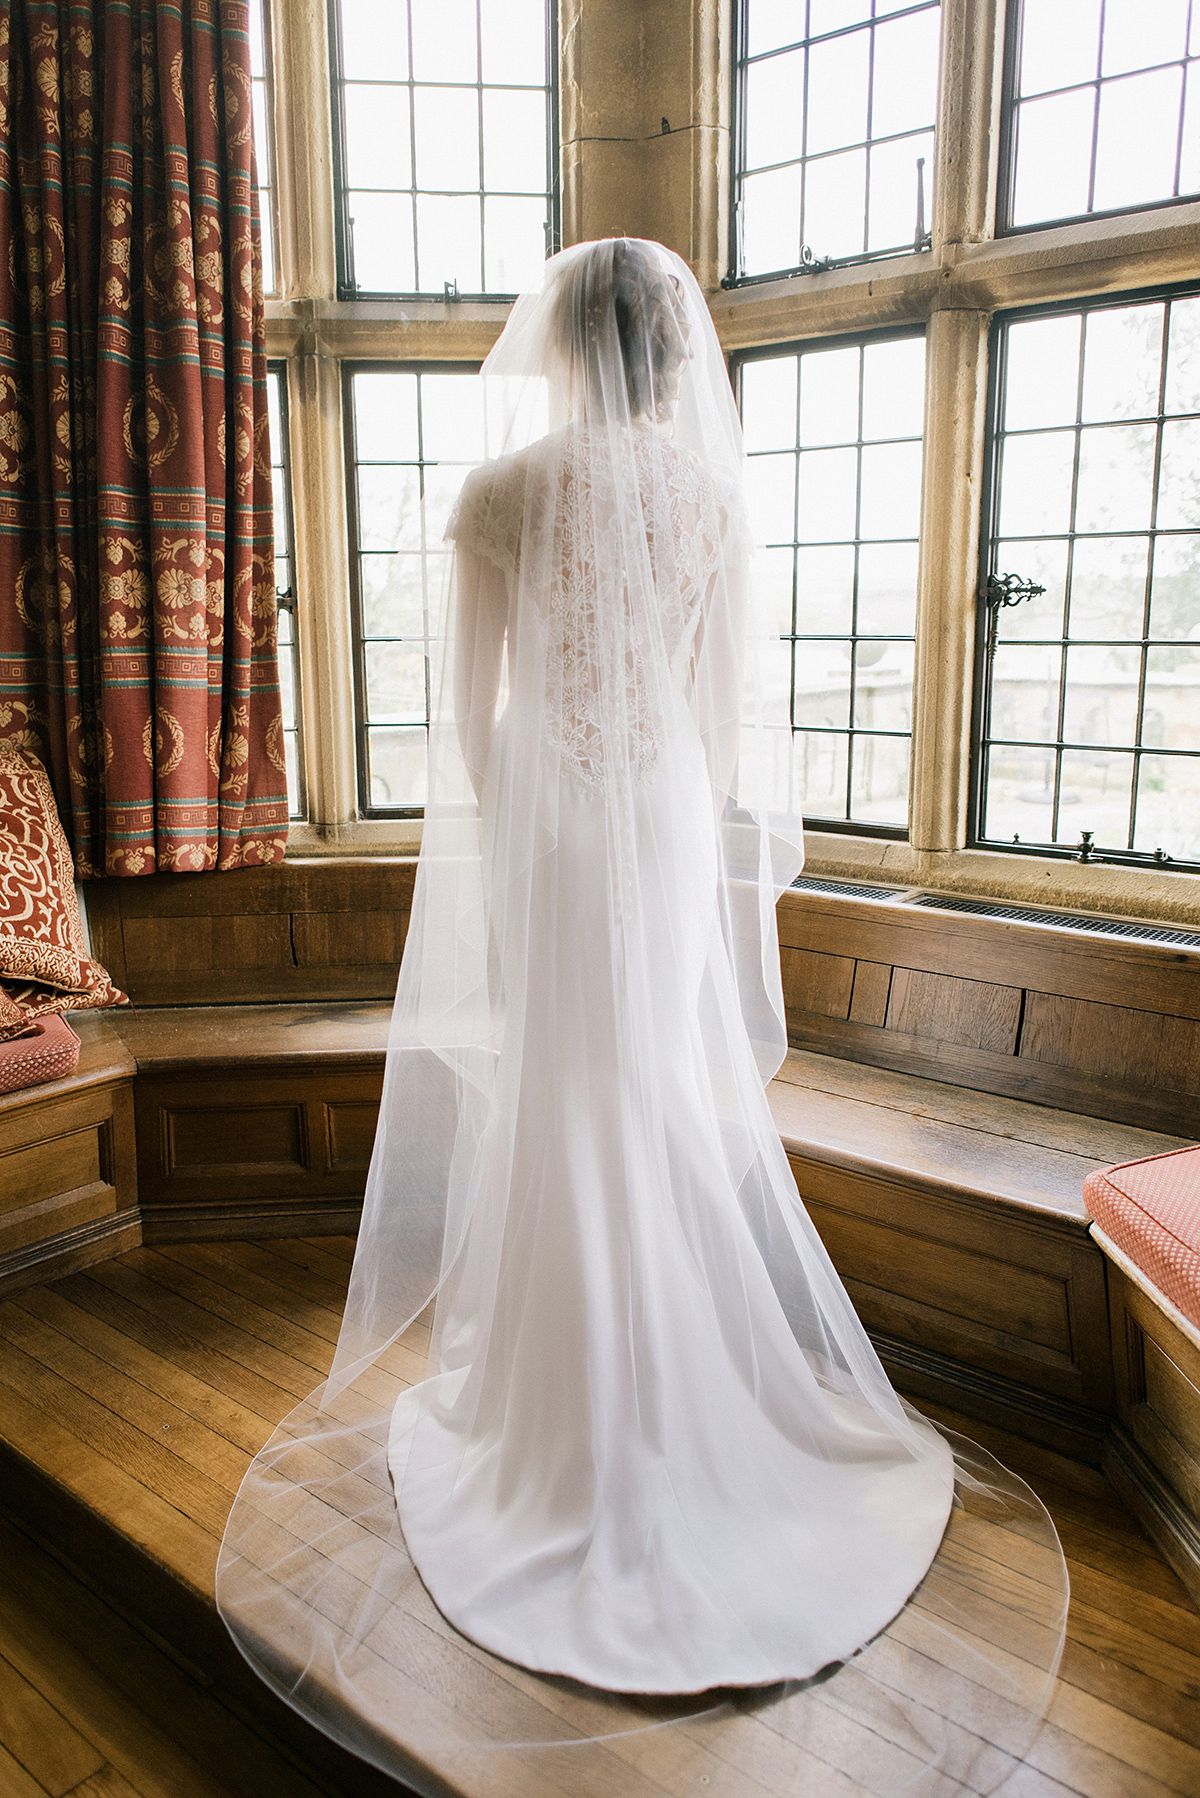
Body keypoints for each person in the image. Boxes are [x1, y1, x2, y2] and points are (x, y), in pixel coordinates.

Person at [217, 239, 1067, 1791]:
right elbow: (723, 722)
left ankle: (566, 1404)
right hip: (663, 818)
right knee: (647, 1082)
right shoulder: (712, 499)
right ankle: (677, 1397)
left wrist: (544, 804)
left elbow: (468, 719)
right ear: (677, 356)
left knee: (565, 1088)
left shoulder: (501, 495)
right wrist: (654, 806)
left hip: (549, 814)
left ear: (557, 343)